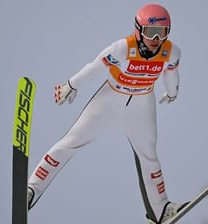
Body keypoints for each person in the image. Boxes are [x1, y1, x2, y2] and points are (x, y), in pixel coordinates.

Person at [27, 3, 187, 224]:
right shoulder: (122, 48)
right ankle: (31, 189)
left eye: (163, 32)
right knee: (70, 143)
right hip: (110, 101)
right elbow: (94, 67)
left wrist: (171, 92)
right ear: (138, 30)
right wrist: (71, 85)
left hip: (142, 105)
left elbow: (171, 73)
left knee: (149, 157)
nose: (157, 39)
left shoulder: (172, 51)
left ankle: (160, 211)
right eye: (151, 32)